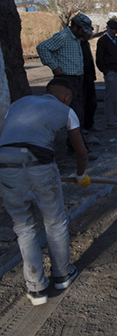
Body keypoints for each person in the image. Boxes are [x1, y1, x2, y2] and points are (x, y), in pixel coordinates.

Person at [0, 78, 90, 306]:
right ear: (67, 98)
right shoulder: (66, 110)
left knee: (24, 228)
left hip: (5, 166)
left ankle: (36, 288)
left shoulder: (18, 104)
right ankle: (62, 275)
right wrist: (81, 176)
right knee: (55, 222)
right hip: (40, 167)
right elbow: (81, 153)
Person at [37, 13, 94, 132]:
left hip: (78, 78)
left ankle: (77, 136)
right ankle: (75, 140)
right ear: (75, 27)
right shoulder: (62, 37)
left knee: (79, 106)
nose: (83, 33)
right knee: (74, 109)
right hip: (66, 78)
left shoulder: (77, 39)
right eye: (82, 30)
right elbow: (42, 47)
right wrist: (54, 66)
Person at [96, 19, 117, 128]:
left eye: (115, 29)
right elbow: (99, 59)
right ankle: (111, 120)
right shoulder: (102, 41)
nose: (114, 31)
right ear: (107, 28)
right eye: (112, 29)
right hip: (111, 71)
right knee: (111, 97)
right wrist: (106, 71)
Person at [81, 38, 99, 132]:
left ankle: (89, 124)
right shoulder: (77, 44)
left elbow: (90, 59)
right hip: (81, 76)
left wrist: (93, 74)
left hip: (89, 75)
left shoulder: (86, 44)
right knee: (82, 102)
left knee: (92, 102)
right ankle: (82, 126)